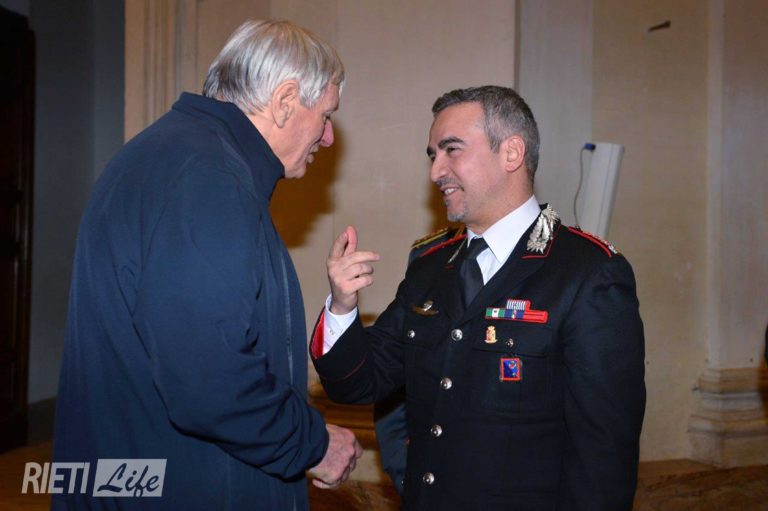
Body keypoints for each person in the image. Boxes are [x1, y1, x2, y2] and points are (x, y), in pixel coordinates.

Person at [52, 20, 361, 510]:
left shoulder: (175, 154)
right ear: (284, 101)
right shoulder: (208, 177)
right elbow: (208, 381)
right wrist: (313, 445)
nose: (326, 137)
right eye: (325, 116)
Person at [312, 86, 646, 510]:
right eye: (433, 155)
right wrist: (342, 307)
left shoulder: (587, 272)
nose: (436, 172)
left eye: (452, 150)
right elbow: (358, 382)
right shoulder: (430, 266)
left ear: (511, 153)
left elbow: (603, 459)